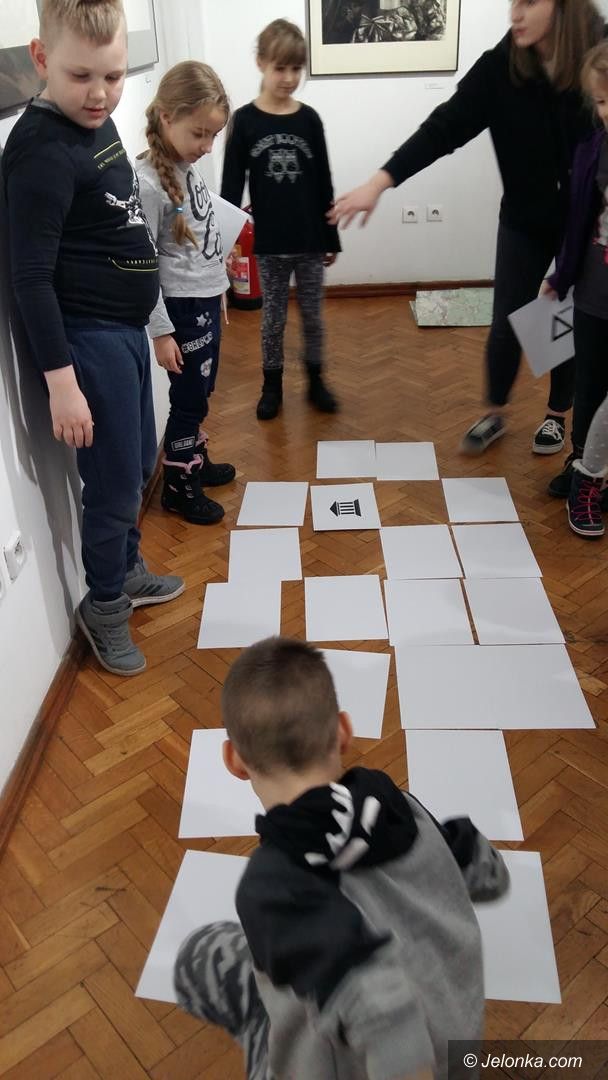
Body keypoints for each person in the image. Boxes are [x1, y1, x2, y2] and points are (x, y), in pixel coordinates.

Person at [173, 637, 510, 1080]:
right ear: (344, 731)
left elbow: (380, 1007)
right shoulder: (398, 807)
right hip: (458, 1043)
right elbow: (480, 864)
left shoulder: (272, 886)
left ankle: (262, 1027)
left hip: (357, 1065)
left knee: (197, 957)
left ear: (234, 761)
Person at [330, 0, 605, 456]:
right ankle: (495, 411)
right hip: (524, 218)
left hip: (585, 222)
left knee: (565, 316)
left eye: (528, 2)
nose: (515, 14)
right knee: (508, 318)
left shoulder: (597, 53)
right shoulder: (500, 67)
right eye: (512, 2)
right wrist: (379, 183)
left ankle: (557, 415)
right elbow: (444, 127)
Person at [2, 0, 184, 677]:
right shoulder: (40, 154)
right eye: (81, 76)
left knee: (135, 467)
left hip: (125, 332)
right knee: (110, 487)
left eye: (113, 76)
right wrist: (63, 385)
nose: (101, 94)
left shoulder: (95, 122)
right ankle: (104, 605)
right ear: (41, 59)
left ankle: (126, 570)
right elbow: (28, 278)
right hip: (89, 340)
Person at [221, 18, 340, 421]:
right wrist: (225, 244)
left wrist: (331, 237)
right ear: (261, 63)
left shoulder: (310, 120)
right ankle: (271, 386)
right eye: (280, 68)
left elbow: (324, 181)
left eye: (296, 68)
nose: (289, 78)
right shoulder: (244, 122)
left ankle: (316, 380)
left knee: (313, 317)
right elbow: (231, 187)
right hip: (270, 244)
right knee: (272, 320)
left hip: (309, 241)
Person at [136, 62, 236, 526]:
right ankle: (178, 484)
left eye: (213, 135)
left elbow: (201, 236)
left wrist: (219, 287)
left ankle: (193, 456)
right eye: (199, 133)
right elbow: (144, 266)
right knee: (189, 397)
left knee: (202, 388)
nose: (207, 146)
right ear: (166, 117)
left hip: (204, 302)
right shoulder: (147, 183)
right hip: (179, 311)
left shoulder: (186, 167)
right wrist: (161, 333)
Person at [544, 42, 608, 521]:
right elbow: (578, 221)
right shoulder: (592, 151)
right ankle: (582, 467)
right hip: (593, 291)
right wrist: (560, 275)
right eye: (601, 101)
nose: (606, 112)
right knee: (589, 383)